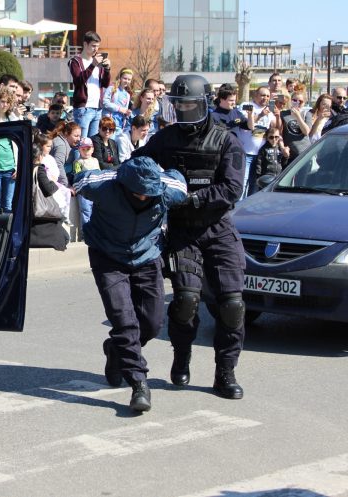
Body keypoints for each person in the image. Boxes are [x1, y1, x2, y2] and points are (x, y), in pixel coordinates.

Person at [132, 74, 247, 400]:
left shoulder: (226, 141)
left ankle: (225, 372)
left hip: (218, 230)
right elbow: (138, 166)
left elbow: (232, 189)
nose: (183, 110)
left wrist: (192, 199)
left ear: (204, 103)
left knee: (232, 305)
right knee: (185, 301)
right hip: (183, 233)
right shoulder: (166, 139)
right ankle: (181, 356)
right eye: (178, 105)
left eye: (189, 104)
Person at [74, 156, 187, 412]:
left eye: (150, 193)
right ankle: (138, 383)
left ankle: (116, 350)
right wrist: (114, 171)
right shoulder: (105, 186)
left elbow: (181, 186)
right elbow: (79, 182)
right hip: (108, 257)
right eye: (139, 193)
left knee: (152, 323)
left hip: (147, 256)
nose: (145, 197)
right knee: (124, 321)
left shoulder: (167, 190)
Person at [68, 31, 111, 139]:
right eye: (93, 46)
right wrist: (93, 65)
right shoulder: (76, 61)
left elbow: (105, 84)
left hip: (97, 108)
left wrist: (107, 69)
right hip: (84, 108)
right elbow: (78, 80)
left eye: (97, 46)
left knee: (92, 144)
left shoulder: (98, 62)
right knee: (80, 142)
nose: (96, 49)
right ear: (85, 44)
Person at [251, 127, 289, 194]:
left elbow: (284, 164)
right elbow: (259, 163)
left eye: (276, 137)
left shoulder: (281, 149)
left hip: (278, 177)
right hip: (266, 177)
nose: (274, 139)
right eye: (271, 137)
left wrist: (286, 157)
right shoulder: (264, 149)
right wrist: (258, 177)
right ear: (267, 138)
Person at [102, 68, 133, 136]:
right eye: (125, 78)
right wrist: (119, 109)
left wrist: (127, 113)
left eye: (129, 79)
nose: (126, 81)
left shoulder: (127, 95)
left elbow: (124, 110)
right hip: (109, 124)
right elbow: (104, 102)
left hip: (120, 126)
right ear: (120, 77)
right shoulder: (112, 89)